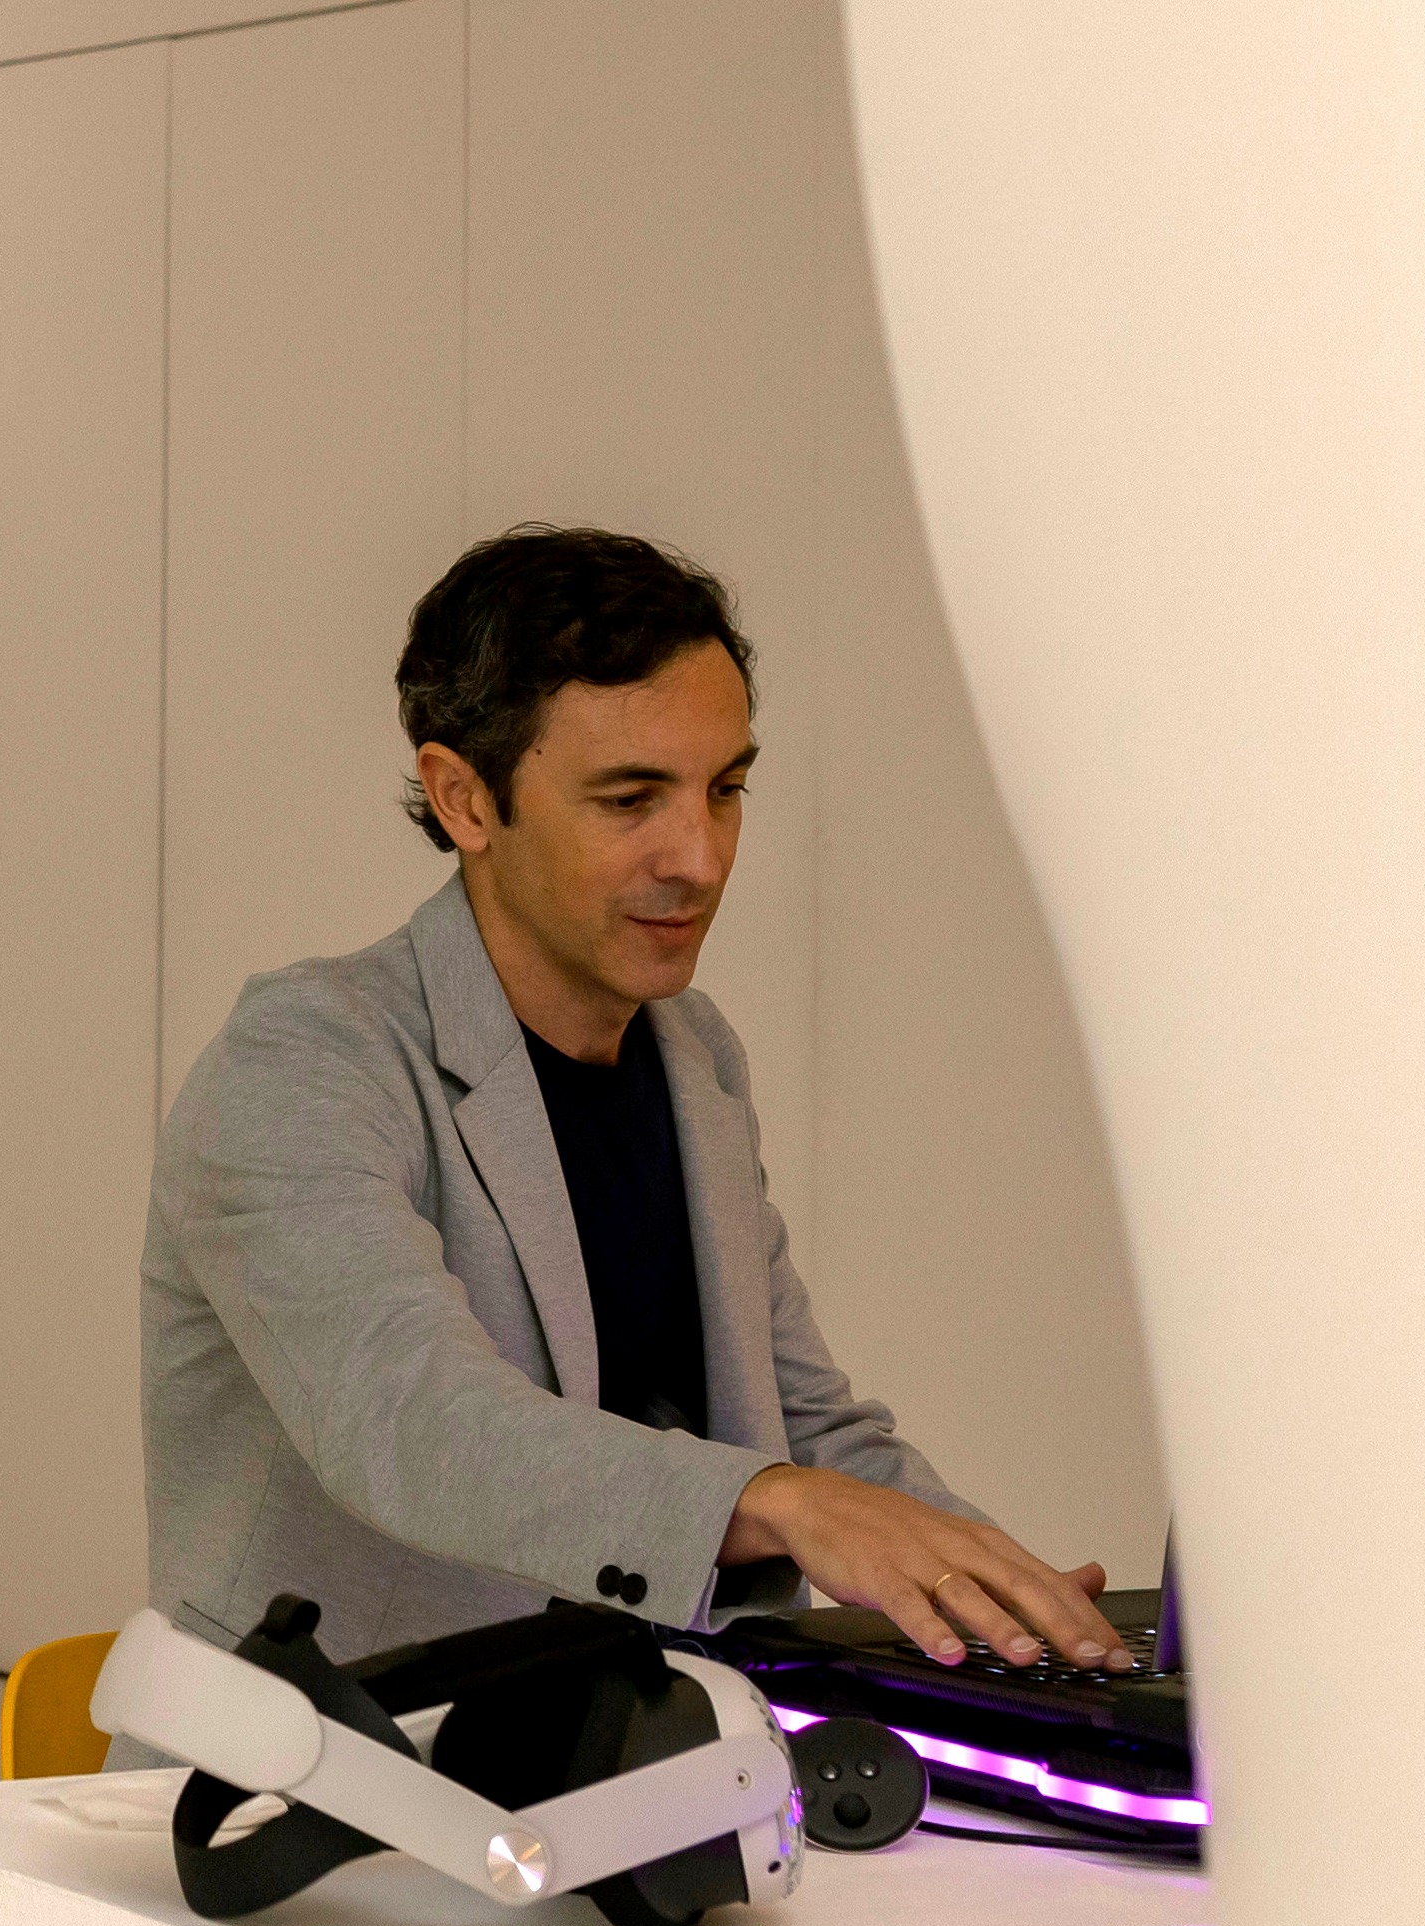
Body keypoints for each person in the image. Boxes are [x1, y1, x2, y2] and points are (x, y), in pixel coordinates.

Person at [139, 525, 1127, 1672]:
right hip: (322, 1789)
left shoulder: (694, 1054)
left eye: (725, 789)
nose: (699, 857)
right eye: (629, 799)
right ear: (463, 799)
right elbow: (414, 1424)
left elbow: (804, 1427)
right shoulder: (303, 1060)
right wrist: (778, 1500)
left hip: (635, 1766)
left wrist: (1014, 1610)